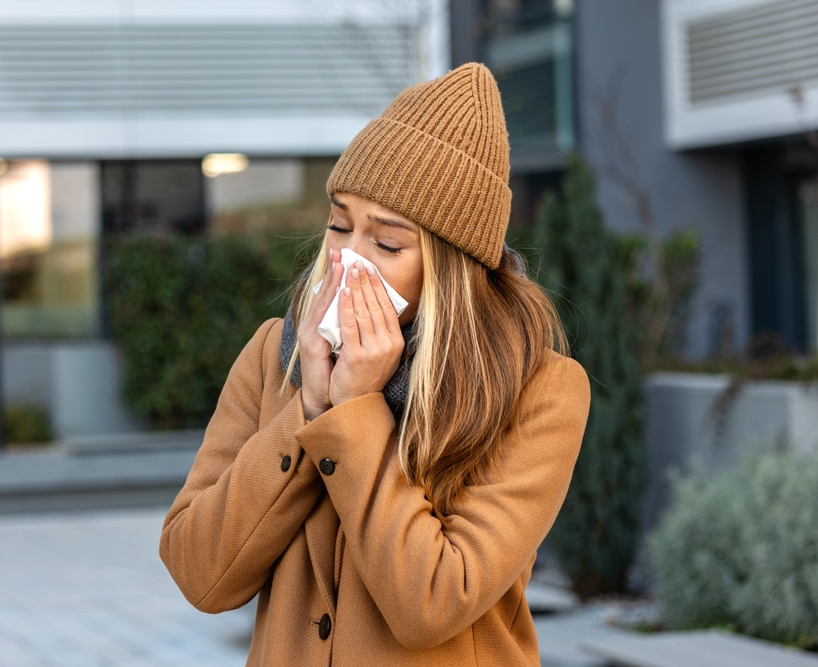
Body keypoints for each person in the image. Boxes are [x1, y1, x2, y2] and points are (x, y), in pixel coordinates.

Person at [160, 63, 590, 666]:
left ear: (451, 266)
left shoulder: (539, 390)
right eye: (339, 225)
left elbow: (432, 603)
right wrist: (309, 406)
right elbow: (199, 574)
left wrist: (356, 411)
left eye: (386, 243)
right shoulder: (275, 356)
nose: (348, 258)